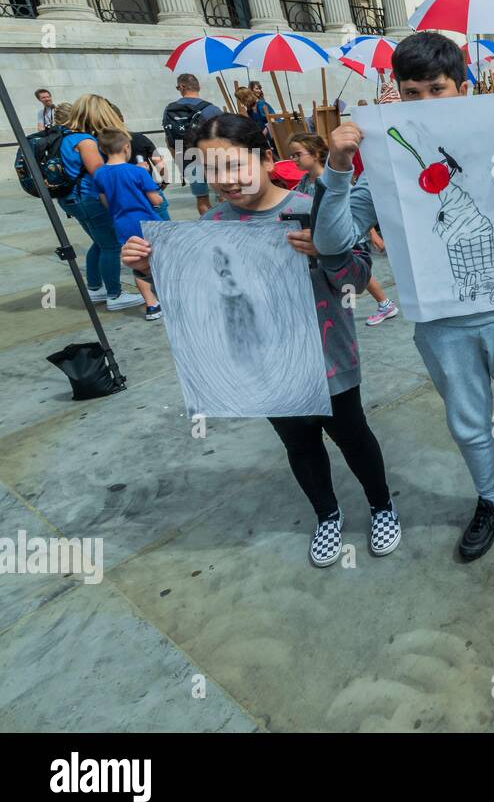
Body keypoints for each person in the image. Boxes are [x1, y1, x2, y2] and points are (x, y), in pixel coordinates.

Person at [326, 30, 494, 561]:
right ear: (395, 92)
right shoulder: (380, 155)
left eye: (437, 89)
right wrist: (338, 168)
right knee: (469, 424)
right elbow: (334, 240)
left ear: (463, 86)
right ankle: (492, 501)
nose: (425, 102)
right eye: (412, 92)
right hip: (442, 320)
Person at [123, 113, 398, 567]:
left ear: (265, 157)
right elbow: (195, 302)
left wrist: (328, 253)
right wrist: (148, 269)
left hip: (329, 357)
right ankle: (327, 514)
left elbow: (357, 279)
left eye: (234, 165)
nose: (224, 181)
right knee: (299, 444)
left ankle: (381, 506)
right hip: (263, 363)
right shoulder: (209, 227)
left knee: (353, 436)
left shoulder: (315, 207)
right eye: (210, 171)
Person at [287, 131, 398, 328]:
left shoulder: (331, 179)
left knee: (355, 278)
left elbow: (355, 209)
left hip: (349, 237)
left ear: (314, 154)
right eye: (292, 155)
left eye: (298, 154)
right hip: (322, 240)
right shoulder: (305, 182)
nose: (293, 159)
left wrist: (372, 234)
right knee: (346, 279)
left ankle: (380, 305)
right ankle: (366, 306)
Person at [57, 96, 145, 312]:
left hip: (71, 199)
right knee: (111, 245)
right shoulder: (85, 140)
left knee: (99, 242)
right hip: (88, 198)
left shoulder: (65, 136)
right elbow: (100, 174)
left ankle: (95, 287)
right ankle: (115, 295)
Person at [89, 128, 166, 320]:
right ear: (126, 147)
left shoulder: (99, 174)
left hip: (122, 224)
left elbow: (104, 200)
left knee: (137, 264)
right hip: (148, 223)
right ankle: (166, 295)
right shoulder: (136, 171)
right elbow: (157, 200)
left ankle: (151, 305)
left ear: (102, 148)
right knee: (159, 261)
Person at [162, 73, 222, 215]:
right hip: (214, 159)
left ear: (182, 87)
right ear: (198, 86)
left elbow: (169, 139)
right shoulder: (212, 109)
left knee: (202, 199)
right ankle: (228, 227)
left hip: (188, 160)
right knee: (223, 196)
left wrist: (179, 162)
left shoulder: (169, 111)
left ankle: (210, 230)